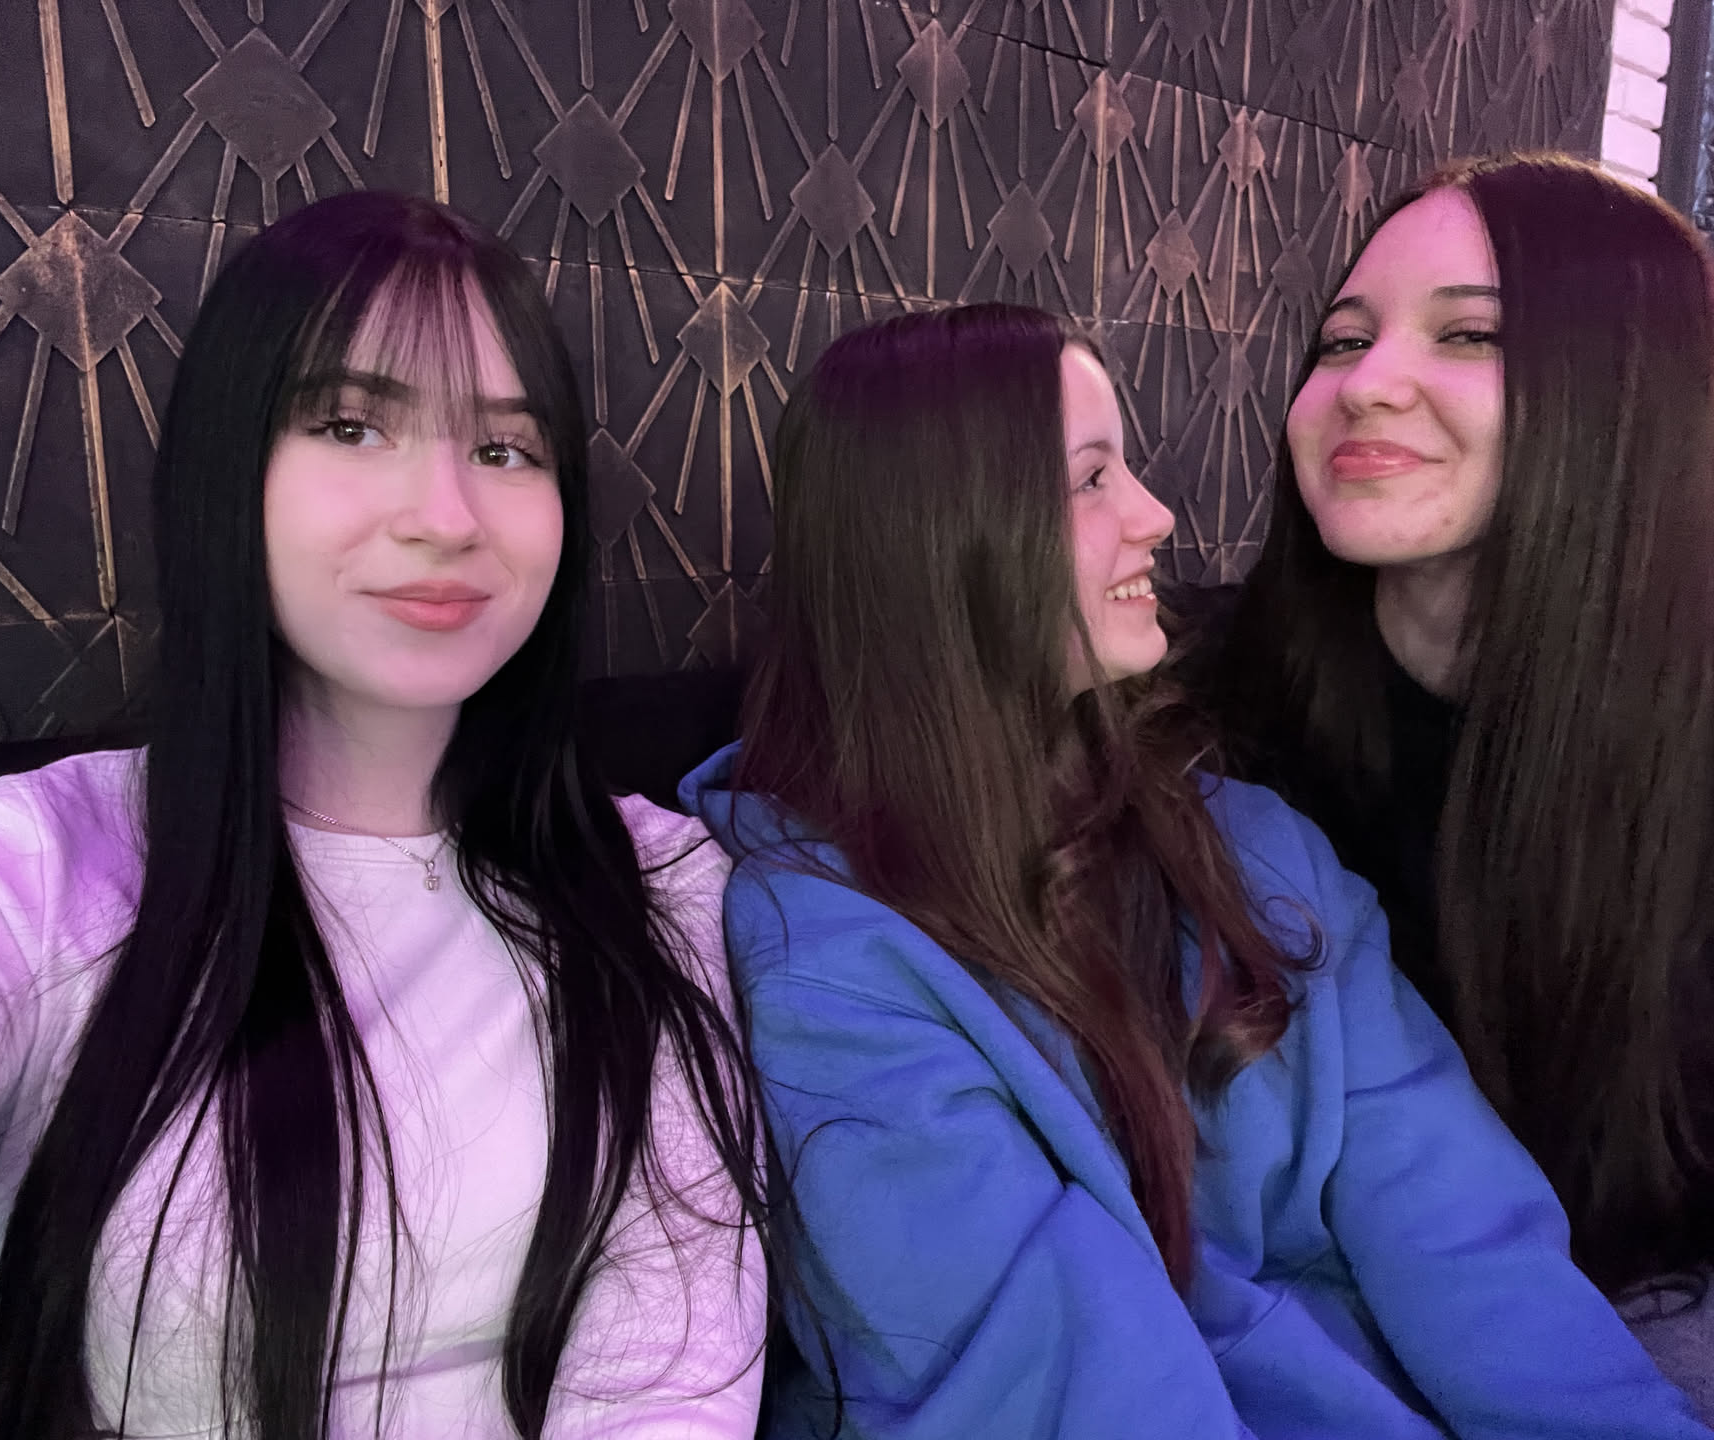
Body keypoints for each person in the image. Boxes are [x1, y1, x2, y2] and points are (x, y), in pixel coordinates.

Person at [0, 192, 766, 1440]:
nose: (446, 516)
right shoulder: (31, 877)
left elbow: (669, 1375)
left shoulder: (658, 882)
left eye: (506, 449)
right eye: (351, 425)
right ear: (227, 471)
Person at [680, 301, 1710, 1438]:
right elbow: (1045, 1377)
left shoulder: (1248, 842)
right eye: (1090, 480)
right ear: (933, 539)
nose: (1156, 515)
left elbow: (1457, 1220)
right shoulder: (815, 949)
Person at [1188, 153, 1714, 1372]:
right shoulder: (1191, 709)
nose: (1366, 385)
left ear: (1635, 392)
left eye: (1469, 335)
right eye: (1340, 341)